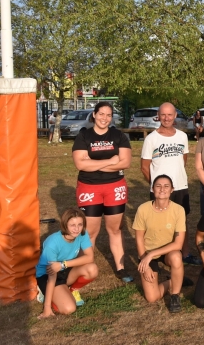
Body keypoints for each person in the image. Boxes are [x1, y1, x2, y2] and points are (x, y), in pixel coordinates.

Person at [72, 101, 133, 282]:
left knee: (115, 229)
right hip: (89, 187)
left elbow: (125, 163)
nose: (104, 118)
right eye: (101, 114)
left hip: (115, 187)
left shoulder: (119, 135)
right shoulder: (84, 136)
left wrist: (94, 164)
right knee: (90, 231)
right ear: (94, 115)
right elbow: (80, 164)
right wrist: (110, 162)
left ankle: (121, 268)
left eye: (108, 115)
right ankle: (85, 265)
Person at [140, 102, 201, 268]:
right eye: (163, 115)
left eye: (170, 115)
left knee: (182, 221)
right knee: (156, 221)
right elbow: (145, 166)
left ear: (175, 116)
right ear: (158, 116)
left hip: (180, 186)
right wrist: (156, 186)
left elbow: (183, 160)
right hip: (160, 191)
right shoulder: (151, 138)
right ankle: (154, 253)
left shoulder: (181, 136)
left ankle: (185, 253)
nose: (166, 118)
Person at [132, 175, 186, 313]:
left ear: (172, 190)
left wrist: (152, 255)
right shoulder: (143, 209)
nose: (162, 189)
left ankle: (175, 295)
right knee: (152, 298)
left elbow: (178, 244)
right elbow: (138, 239)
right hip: (147, 253)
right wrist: (145, 259)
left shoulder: (179, 210)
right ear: (152, 189)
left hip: (166, 251)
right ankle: (172, 281)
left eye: (166, 186)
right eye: (158, 186)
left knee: (176, 257)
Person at [36, 208, 98, 319]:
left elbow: (90, 257)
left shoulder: (82, 234)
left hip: (64, 268)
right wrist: (47, 308)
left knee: (92, 269)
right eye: (72, 225)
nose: (77, 229)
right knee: (69, 309)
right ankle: (44, 293)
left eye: (80, 224)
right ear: (65, 225)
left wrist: (62, 265)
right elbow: (52, 276)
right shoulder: (53, 243)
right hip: (48, 275)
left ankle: (72, 290)